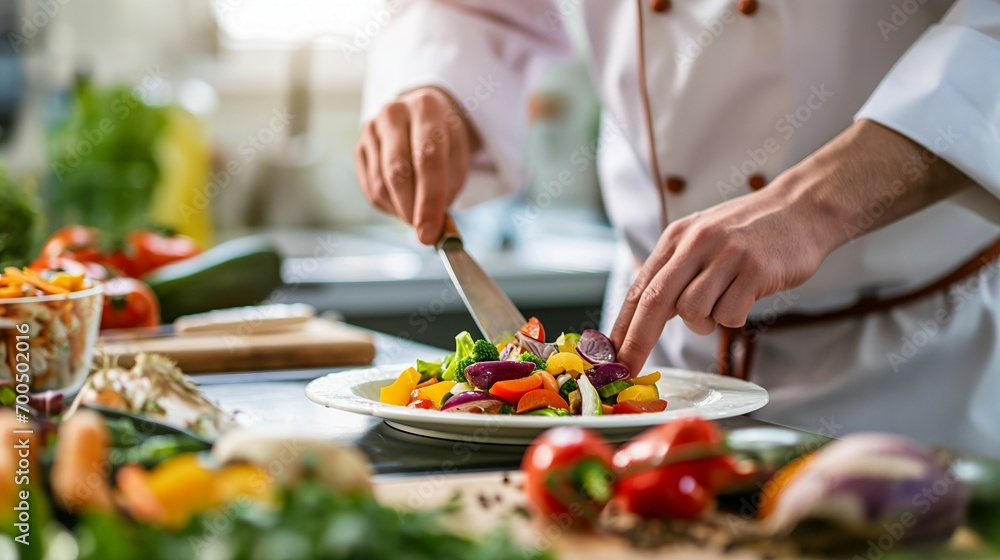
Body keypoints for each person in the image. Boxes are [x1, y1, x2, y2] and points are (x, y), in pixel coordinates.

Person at [355, 0, 1000, 457]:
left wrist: (817, 202)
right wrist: (434, 82)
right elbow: (477, 9)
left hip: (911, 368)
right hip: (649, 369)